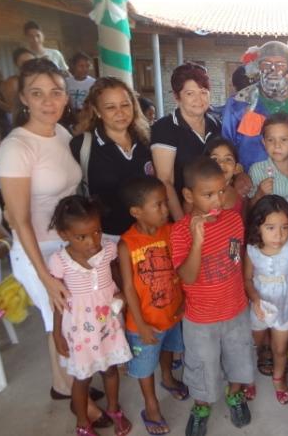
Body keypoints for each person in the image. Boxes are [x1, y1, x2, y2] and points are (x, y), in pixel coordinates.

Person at [0, 59, 104, 412]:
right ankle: (77, 399)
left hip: (68, 246)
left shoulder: (60, 133)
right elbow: (18, 219)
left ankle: (67, 383)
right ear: (24, 98)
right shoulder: (15, 147)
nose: (48, 101)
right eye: (37, 93)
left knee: (73, 319)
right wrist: (43, 273)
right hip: (38, 248)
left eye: (56, 92)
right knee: (58, 320)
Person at [170, 158, 253, 436]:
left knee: (239, 356)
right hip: (201, 319)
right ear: (188, 195)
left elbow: (236, 259)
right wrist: (198, 242)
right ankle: (202, 406)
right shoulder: (180, 231)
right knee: (202, 365)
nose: (217, 200)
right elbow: (188, 277)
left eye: (221, 191)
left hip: (235, 309)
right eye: (208, 195)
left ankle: (235, 395)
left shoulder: (233, 220)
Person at [49, 196, 132, 436]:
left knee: (110, 369)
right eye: (81, 237)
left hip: (109, 322)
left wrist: (124, 301)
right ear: (64, 234)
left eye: (97, 231)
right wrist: (56, 332)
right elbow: (57, 300)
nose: (92, 241)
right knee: (82, 377)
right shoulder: (59, 262)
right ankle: (83, 422)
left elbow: (117, 277)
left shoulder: (108, 249)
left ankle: (114, 409)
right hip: (79, 330)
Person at [118, 176, 186, 436]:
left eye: (165, 203)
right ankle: (151, 405)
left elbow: (178, 267)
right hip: (143, 322)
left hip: (172, 312)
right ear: (136, 212)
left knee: (169, 348)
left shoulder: (169, 231)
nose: (165, 210)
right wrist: (141, 324)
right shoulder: (127, 244)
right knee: (145, 366)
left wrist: (183, 302)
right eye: (157, 205)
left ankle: (168, 378)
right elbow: (128, 288)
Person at [244, 195, 288, 404]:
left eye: (285, 227)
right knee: (257, 343)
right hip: (260, 305)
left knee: (280, 348)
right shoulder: (252, 249)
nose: (278, 235)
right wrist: (255, 300)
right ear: (258, 226)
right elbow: (247, 278)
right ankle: (248, 378)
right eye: (270, 227)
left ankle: (278, 379)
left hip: (287, 304)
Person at [222, 41, 288, 171]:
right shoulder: (238, 104)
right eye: (266, 64)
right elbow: (225, 149)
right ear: (257, 68)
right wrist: (237, 176)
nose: (273, 70)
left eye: (280, 64)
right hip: (253, 186)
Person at [72, 77, 153, 240]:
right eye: (110, 107)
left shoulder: (147, 140)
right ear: (97, 111)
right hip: (108, 239)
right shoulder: (82, 145)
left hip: (148, 235)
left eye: (125, 105)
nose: (120, 113)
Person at [152, 63, 221, 221]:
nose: (199, 99)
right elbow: (165, 181)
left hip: (213, 212)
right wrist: (182, 223)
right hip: (183, 212)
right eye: (190, 93)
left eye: (203, 92)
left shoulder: (215, 124)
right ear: (177, 97)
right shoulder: (165, 128)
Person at [248, 112, 288, 204]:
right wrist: (259, 195)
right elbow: (249, 210)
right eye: (270, 140)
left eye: (284, 139)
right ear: (264, 142)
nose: (277, 145)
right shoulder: (256, 170)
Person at [204, 137, 246, 217]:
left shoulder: (240, 194)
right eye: (215, 159)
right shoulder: (198, 195)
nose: (221, 163)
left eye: (228, 159)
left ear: (236, 169)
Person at [0, 47, 35, 112]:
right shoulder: (13, 82)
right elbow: (12, 108)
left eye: (32, 61)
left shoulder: (41, 79)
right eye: (24, 62)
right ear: (17, 64)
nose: (30, 64)